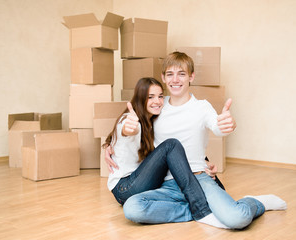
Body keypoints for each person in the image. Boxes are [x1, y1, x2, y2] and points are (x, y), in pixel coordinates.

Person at [106, 52, 287, 229]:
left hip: (198, 178)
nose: (175, 79)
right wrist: (110, 145)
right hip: (166, 183)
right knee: (133, 208)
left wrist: (228, 124)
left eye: (181, 74)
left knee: (236, 219)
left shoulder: (202, 107)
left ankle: (256, 202)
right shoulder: (157, 106)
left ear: (191, 77)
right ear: (163, 77)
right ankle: (200, 210)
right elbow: (134, 129)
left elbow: (218, 126)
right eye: (170, 74)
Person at [103, 77, 228, 228]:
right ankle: (202, 210)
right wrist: (129, 128)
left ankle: (207, 198)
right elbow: (126, 129)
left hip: (142, 180)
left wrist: (204, 163)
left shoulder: (152, 121)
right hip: (125, 187)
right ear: (140, 98)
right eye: (150, 97)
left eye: (160, 96)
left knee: (175, 151)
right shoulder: (130, 120)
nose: (157, 101)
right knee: (171, 145)